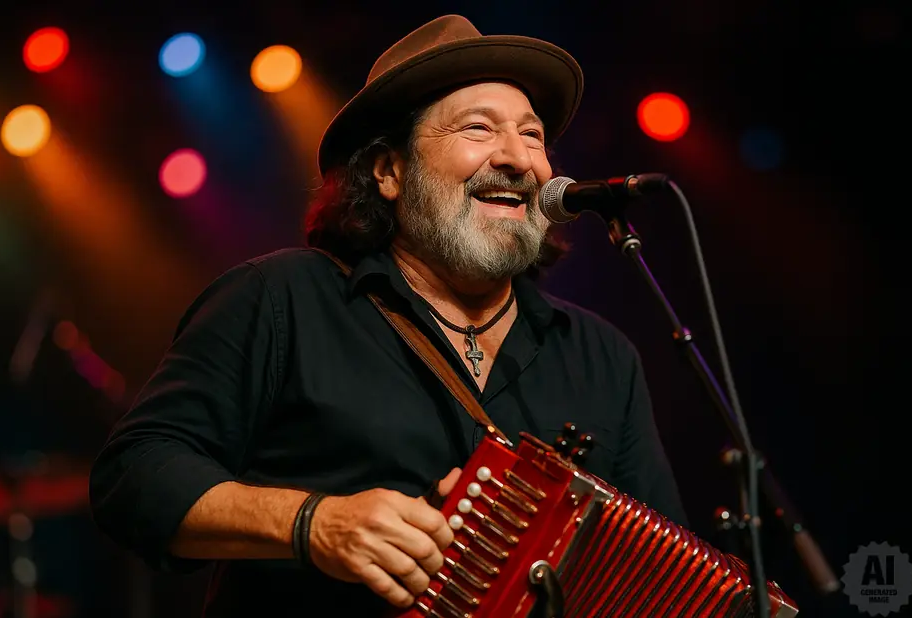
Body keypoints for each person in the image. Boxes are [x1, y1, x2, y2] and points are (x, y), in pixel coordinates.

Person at [88, 14, 688, 618]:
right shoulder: (279, 298)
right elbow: (134, 476)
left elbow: (666, 583)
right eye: (478, 128)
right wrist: (314, 523)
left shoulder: (601, 355)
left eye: (532, 136)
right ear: (389, 173)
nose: (519, 158)